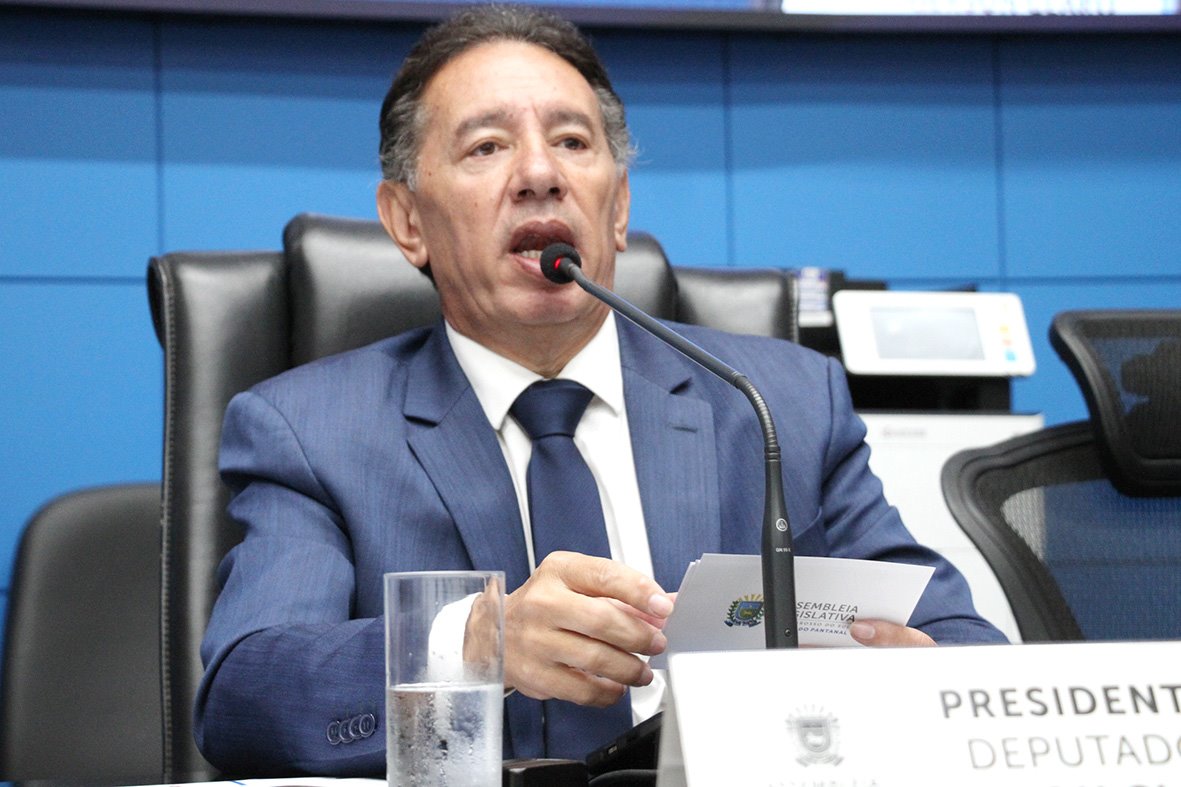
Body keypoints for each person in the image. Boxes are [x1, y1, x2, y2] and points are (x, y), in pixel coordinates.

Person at [195, 3, 1006, 777]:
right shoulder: (311, 431)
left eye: (572, 141)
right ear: (407, 221)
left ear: (617, 207)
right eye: (486, 147)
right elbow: (244, 695)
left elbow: (965, 648)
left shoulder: (776, 404)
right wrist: (476, 643)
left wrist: (919, 681)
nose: (539, 174)